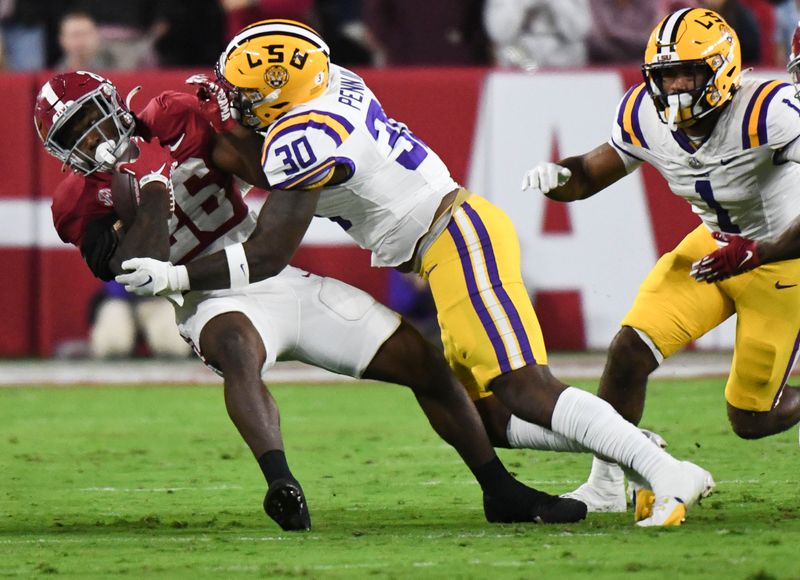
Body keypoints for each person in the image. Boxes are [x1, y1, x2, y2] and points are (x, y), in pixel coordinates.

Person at [117, 19, 714, 527]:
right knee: (487, 416)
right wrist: (215, 127)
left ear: (282, 95)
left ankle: (667, 472)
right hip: (440, 241)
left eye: (244, 93)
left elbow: (269, 251)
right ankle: (626, 459)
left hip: (455, 235)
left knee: (523, 387)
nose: (232, 101)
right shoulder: (330, 89)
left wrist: (174, 277)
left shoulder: (305, 137)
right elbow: (264, 156)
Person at [35, 70, 589, 531]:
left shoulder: (169, 118)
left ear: (110, 100)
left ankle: (500, 491)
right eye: (75, 131)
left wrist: (220, 127)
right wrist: (151, 190)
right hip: (205, 296)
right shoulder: (78, 199)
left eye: (91, 116)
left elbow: (265, 172)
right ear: (61, 149)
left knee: (422, 360)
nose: (92, 134)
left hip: (271, 273)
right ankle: (282, 483)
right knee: (237, 350)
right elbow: (136, 269)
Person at [521, 7, 800, 513]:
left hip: (782, 262)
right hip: (714, 249)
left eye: (686, 73)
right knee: (628, 351)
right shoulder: (643, 114)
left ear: (721, 70)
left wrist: (762, 250)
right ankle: (605, 483)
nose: (673, 88)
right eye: (664, 75)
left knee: (752, 419)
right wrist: (561, 177)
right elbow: (590, 172)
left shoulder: (771, 111)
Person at [483, 0, 591, 70]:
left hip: (562, 49)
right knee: (507, 50)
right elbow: (498, 33)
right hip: (519, 50)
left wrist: (557, 3)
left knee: (576, 48)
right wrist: (522, 4)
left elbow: (580, 31)